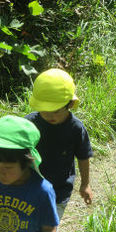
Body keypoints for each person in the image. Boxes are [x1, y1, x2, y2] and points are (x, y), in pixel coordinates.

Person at [25, 68, 93, 220]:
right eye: (45, 110)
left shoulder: (75, 128)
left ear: (69, 104)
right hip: (29, 186)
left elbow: (83, 156)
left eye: (56, 110)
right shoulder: (29, 124)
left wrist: (85, 184)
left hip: (59, 190)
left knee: (48, 225)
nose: (50, 115)